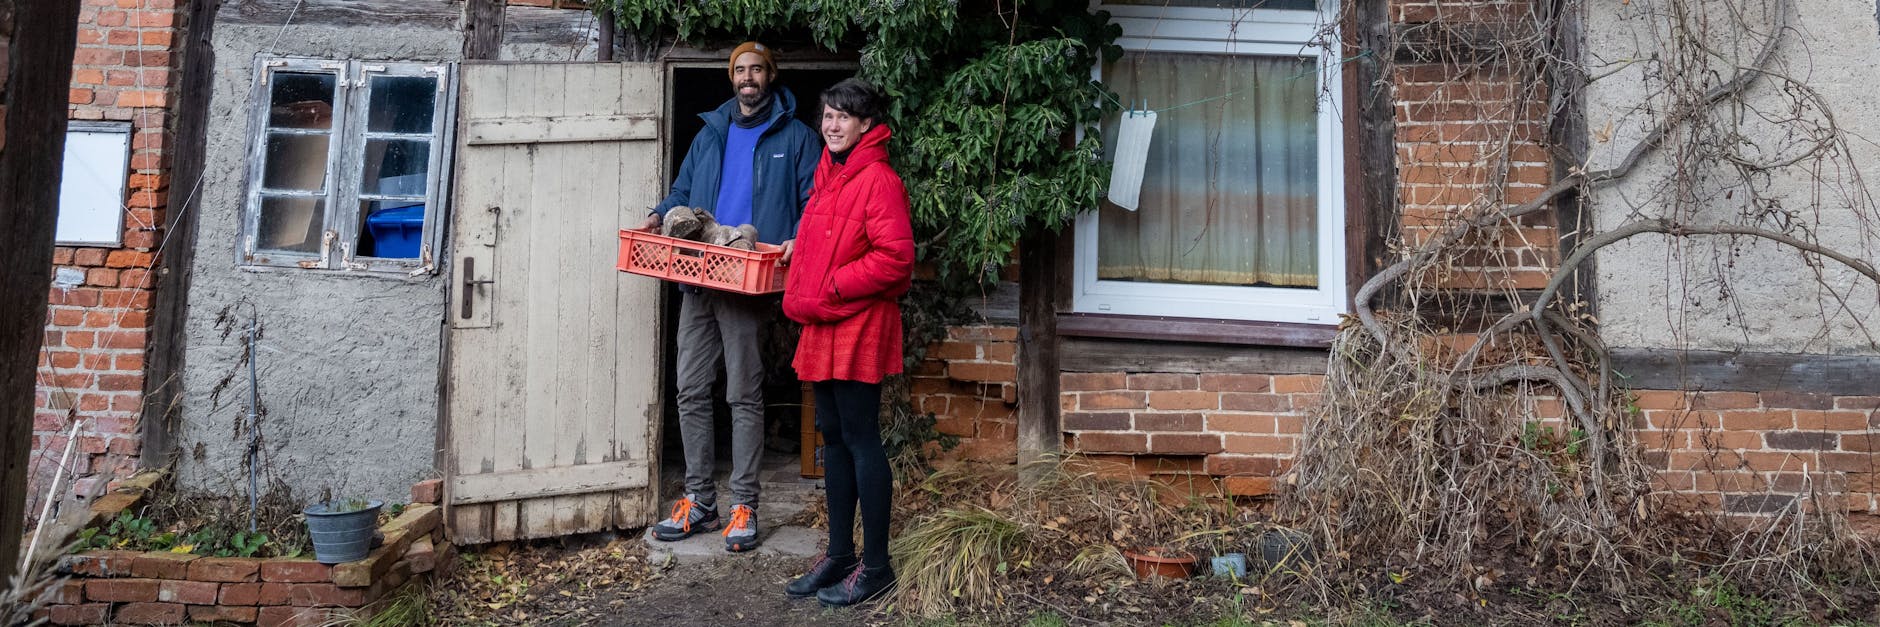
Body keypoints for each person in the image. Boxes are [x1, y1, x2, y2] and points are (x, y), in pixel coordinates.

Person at [645, 42, 821, 553]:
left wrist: (797, 237)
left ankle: (745, 504)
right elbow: (682, 193)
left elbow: (814, 202)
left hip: (749, 279)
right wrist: (660, 214)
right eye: (740, 70)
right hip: (699, 275)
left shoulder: (798, 137)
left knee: (743, 393)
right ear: (732, 78)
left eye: (757, 69)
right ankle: (699, 501)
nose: (748, 78)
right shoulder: (710, 134)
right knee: (690, 389)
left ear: (771, 75)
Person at [780, 78, 914, 607]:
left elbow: (895, 258)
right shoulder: (829, 174)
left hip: (855, 319)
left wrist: (833, 282)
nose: (831, 125)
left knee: (860, 439)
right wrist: (801, 248)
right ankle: (839, 554)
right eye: (827, 116)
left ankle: (876, 567)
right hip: (824, 321)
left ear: (866, 125)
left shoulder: (877, 178)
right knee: (833, 439)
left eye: (842, 117)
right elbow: (835, 234)